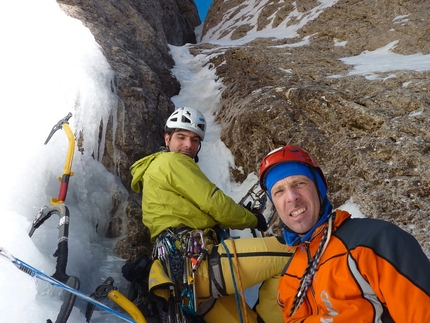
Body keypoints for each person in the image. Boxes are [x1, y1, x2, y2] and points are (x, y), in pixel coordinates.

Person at [258, 144, 430, 322]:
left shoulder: (376, 242)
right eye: (279, 191)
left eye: (300, 183)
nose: (292, 197)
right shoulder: (289, 276)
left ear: (319, 189)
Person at [130, 106, 267, 241]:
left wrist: (241, 213)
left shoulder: (159, 165)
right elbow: (215, 203)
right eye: (181, 137)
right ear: (167, 139)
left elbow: (199, 214)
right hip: (191, 246)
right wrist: (253, 220)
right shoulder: (172, 162)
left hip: (179, 247)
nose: (188, 144)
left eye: (194, 140)